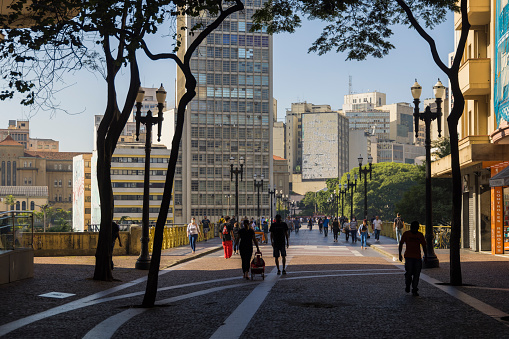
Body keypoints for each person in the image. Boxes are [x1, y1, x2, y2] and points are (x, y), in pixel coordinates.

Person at [399, 221, 428, 296]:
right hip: (409, 257)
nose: (415, 229)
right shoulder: (406, 234)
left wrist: (426, 256)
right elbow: (401, 243)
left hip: (417, 257)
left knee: (416, 274)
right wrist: (400, 254)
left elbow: (424, 246)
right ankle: (408, 285)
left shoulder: (420, 235)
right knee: (409, 273)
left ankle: (414, 288)